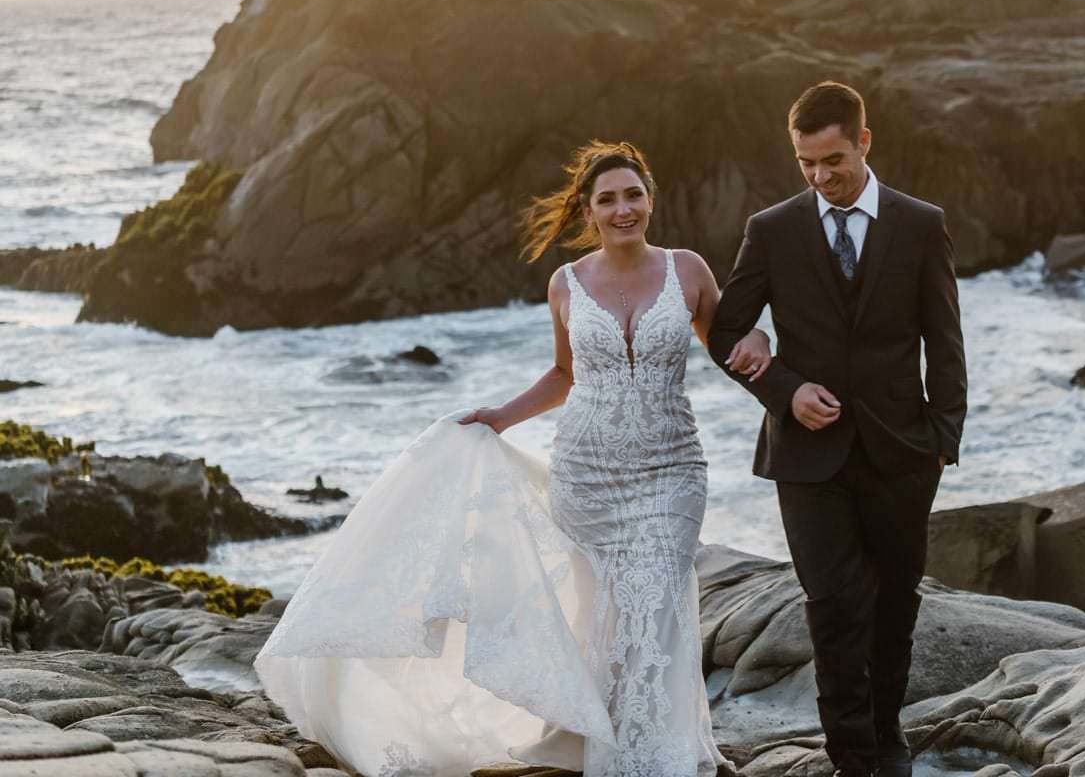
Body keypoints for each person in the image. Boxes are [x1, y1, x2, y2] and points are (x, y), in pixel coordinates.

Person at [254, 140, 770, 777]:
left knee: (658, 597)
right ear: (588, 212)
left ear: (650, 199)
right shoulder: (567, 283)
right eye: (607, 199)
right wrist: (498, 417)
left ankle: (652, 755)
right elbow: (563, 375)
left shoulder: (687, 270)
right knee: (607, 612)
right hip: (589, 473)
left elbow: (726, 347)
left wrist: (763, 347)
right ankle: (601, 743)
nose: (623, 209)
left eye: (633, 195)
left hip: (672, 467)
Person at [707, 82, 967, 777]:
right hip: (806, 459)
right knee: (834, 605)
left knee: (894, 606)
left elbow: (946, 340)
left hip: (903, 453)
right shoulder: (773, 229)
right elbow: (727, 330)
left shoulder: (919, 223)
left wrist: (944, 440)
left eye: (833, 160)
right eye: (806, 164)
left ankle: (888, 740)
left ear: (864, 143)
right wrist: (784, 391)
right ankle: (854, 758)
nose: (822, 177)